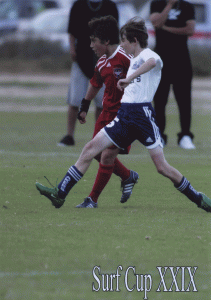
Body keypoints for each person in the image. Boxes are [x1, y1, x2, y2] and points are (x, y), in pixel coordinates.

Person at [36, 17, 211, 213]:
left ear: (134, 40)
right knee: (90, 149)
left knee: (162, 167)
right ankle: (60, 194)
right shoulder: (129, 59)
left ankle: (198, 198)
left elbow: (152, 63)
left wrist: (129, 78)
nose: (122, 45)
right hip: (124, 117)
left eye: (125, 41)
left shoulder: (148, 55)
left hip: (143, 116)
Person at [58, 0, 119, 146]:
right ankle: (69, 135)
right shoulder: (78, 5)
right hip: (82, 58)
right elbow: (72, 30)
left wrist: (112, 55)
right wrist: (72, 49)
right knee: (75, 99)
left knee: (102, 102)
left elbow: (115, 34)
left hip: (103, 60)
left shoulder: (110, 6)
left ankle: (99, 135)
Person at [149, 0, 196, 149]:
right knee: (160, 101)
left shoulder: (187, 6)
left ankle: (185, 136)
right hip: (161, 61)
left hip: (182, 60)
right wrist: (169, 6)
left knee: (184, 101)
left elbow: (190, 30)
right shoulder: (156, 4)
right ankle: (159, 135)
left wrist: (166, 28)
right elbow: (156, 22)